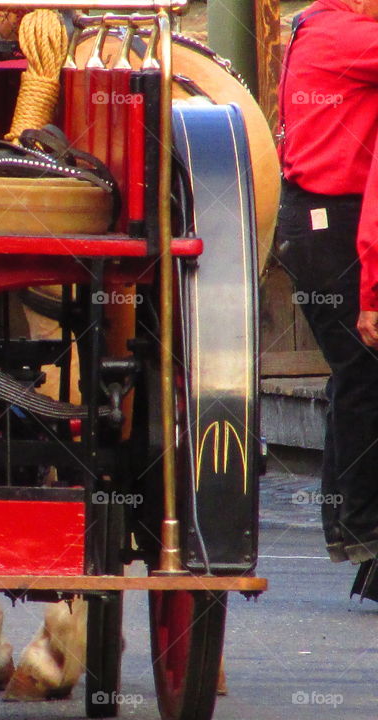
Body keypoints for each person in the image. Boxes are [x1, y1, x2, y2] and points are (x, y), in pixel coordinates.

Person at [274, 0, 378, 598]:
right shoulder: (346, 34)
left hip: (324, 217)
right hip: (331, 220)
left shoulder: (326, 26)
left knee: (357, 376)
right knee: (362, 373)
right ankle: (360, 529)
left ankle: (355, 531)